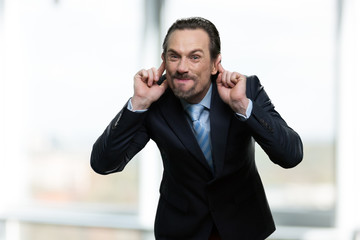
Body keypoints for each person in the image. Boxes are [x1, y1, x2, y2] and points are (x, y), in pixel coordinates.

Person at [90, 17, 303, 240]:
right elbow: (103, 163)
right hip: (181, 231)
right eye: (174, 57)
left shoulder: (246, 90)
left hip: (244, 229)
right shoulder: (153, 101)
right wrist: (139, 103)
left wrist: (242, 105)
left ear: (214, 63)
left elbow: (291, 155)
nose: (182, 68)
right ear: (163, 60)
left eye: (195, 57)